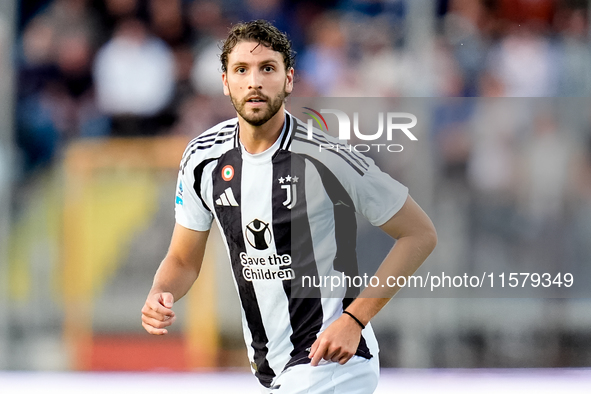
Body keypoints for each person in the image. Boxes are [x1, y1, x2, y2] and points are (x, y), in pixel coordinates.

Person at [141, 20, 437, 393]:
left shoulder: (327, 156)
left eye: (268, 68)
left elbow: (419, 234)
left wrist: (353, 321)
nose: (254, 82)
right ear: (225, 82)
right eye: (241, 70)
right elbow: (183, 260)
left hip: (333, 366)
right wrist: (160, 292)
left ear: (289, 79)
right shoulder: (203, 157)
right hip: (274, 369)